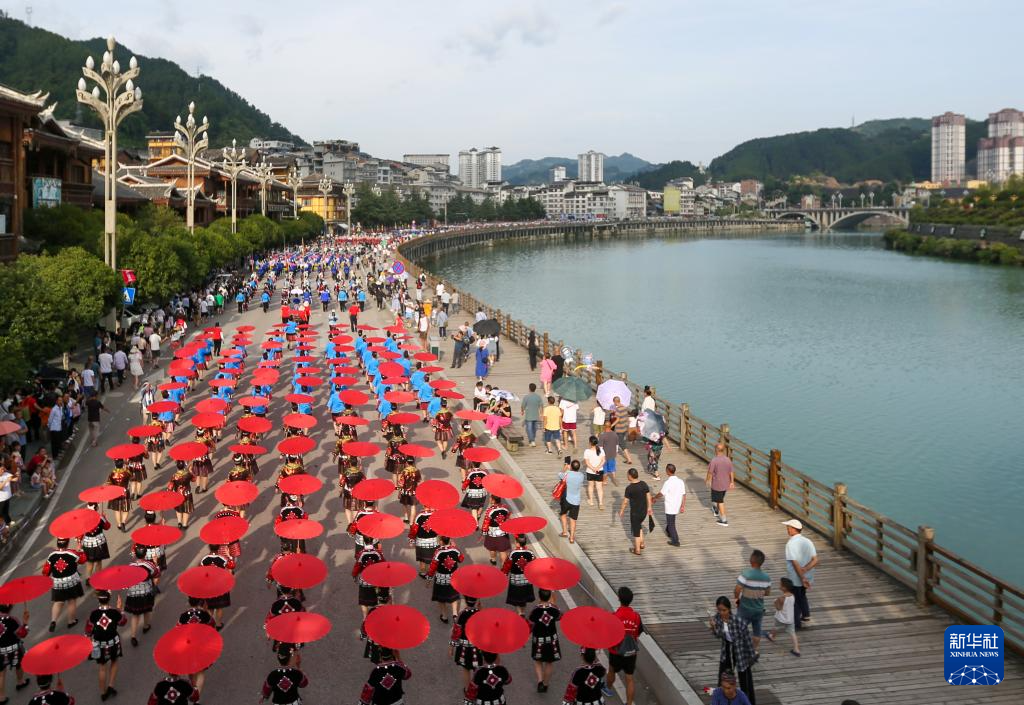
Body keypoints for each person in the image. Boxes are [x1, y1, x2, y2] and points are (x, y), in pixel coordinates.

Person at [708, 596, 757, 704]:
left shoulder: (738, 621)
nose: (722, 613)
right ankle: (720, 699)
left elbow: (747, 640)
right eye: (719, 610)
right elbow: (719, 635)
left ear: (729, 609)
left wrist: (751, 656)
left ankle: (747, 701)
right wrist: (713, 627)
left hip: (740, 650)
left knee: (744, 678)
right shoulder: (717, 618)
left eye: (724, 610)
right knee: (723, 675)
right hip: (727, 648)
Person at [603, 586, 643, 705]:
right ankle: (629, 703)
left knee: (612, 670)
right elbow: (638, 632)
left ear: (619, 599)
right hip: (631, 652)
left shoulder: (615, 616)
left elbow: (609, 634)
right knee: (629, 678)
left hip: (616, 652)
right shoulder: (636, 616)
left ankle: (608, 689)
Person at [85, 590, 126, 701]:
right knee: (114, 661)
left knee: (102, 667)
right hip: (113, 642)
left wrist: (88, 641)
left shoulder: (94, 613)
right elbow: (123, 622)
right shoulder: (114, 612)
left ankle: (103, 693)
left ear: (99, 600)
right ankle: (111, 685)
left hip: (99, 644)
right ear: (109, 599)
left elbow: (88, 630)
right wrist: (120, 609)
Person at [42, 538, 85, 631]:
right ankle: (71, 621)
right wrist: (80, 550)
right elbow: (83, 560)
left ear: (57, 544)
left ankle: (53, 621)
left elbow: (45, 571)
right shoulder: (72, 553)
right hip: (71, 581)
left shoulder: (51, 555)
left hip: (57, 582)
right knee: (71, 601)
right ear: (67, 543)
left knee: (58, 602)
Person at [782, 519, 817, 630]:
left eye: (788, 527)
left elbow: (795, 563)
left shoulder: (790, 544)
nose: (787, 529)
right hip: (807, 576)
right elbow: (815, 560)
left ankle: (796, 624)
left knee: (795, 600)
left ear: (793, 529)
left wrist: (802, 577)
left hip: (795, 578)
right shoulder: (808, 541)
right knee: (802, 595)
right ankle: (806, 616)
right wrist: (806, 570)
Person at [734, 549, 770, 656]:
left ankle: (739, 648)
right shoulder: (766, 577)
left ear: (751, 560)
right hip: (759, 609)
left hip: (745, 607)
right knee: (757, 631)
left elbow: (737, 589)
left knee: (738, 627)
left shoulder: (746, 574)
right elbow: (767, 592)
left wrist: (736, 598)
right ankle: (754, 650)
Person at [527, 589, 561, 692]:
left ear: (539, 596)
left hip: (538, 640)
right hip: (552, 640)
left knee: (538, 661)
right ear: (549, 596)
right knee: (549, 662)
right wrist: (554, 604)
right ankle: (545, 684)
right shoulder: (554, 609)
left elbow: (530, 623)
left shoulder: (535, 610)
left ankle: (540, 682)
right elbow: (560, 616)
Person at [618, 468, 652, 555]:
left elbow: (625, 502)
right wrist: (649, 507)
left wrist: (621, 511)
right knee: (639, 526)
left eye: (627, 475)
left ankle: (637, 550)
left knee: (636, 531)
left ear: (630, 476)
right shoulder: (643, 484)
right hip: (643, 511)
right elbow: (648, 496)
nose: (627, 476)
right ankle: (642, 543)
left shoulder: (629, 488)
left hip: (635, 513)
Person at [0, 603, 31, 699]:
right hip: (14, 649)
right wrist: (25, 623)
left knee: (1, 674)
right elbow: (22, 634)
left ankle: (1, 697)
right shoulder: (13, 620)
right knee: (19, 665)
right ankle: (20, 682)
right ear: (11, 607)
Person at [765, 577, 800, 657]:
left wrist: (775, 602)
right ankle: (796, 649)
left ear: (784, 588)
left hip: (781, 618)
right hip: (790, 619)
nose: (779, 585)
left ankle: (771, 636)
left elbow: (778, 608)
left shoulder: (781, 598)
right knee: (792, 633)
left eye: (780, 584)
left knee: (776, 627)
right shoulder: (792, 596)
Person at [654, 463, 685, 546]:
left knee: (671, 524)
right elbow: (684, 494)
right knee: (671, 520)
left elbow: (661, 493)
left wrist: (654, 498)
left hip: (670, 506)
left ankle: (675, 541)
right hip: (677, 505)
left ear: (667, 471)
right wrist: (682, 506)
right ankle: (668, 531)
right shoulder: (680, 481)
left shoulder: (668, 482)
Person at [706, 443, 734, 527]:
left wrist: (708, 480)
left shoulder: (714, 460)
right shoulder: (728, 459)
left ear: (716, 450)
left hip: (717, 484)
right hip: (725, 484)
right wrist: (732, 482)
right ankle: (716, 510)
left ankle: (724, 520)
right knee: (719, 499)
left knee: (720, 501)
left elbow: (710, 472)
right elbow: (731, 471)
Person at [557, 459, 585, 543]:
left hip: (567, 498)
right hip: (576, 501)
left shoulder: (567, 474)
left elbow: (559, 475)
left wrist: (565, 468)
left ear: (571, 467)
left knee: (563, 514)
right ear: (578, 468)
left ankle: (565, 532)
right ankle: (572, 537)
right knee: (573, 519)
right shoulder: (581, 476)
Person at [583, 435, 605, 509]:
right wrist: (597, 468)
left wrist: (593, 468)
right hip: (599, 471)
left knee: (590, 486)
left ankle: (591, 501)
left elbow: (587, 462)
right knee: (599, 488)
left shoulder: (587, 451)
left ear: (590, 443)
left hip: (590, 471)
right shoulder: (601, 450)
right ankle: (601, 503)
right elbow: (603, 460)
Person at [610, 397, 633, 464]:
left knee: (621, 443)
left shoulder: (618, 409)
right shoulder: (624, 407)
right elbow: (626, 417)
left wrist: (611, 425)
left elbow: (618, 419)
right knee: (619, 440)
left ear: (615, 402)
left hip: (619, 429)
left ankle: (629, 459)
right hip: (624, 427)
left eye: (614, 402)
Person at [520, 383, 543, 447]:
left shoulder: (526, 397)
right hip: (536, 415)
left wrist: (522, 411)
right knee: (534, 429)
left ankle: (532, 440)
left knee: (529, 429)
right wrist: (541, 414)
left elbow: (523, 405)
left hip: (529, 416)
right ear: (535, 389)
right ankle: (532, 440)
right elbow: (541, 406)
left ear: (529, 388)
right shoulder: (538, 397)